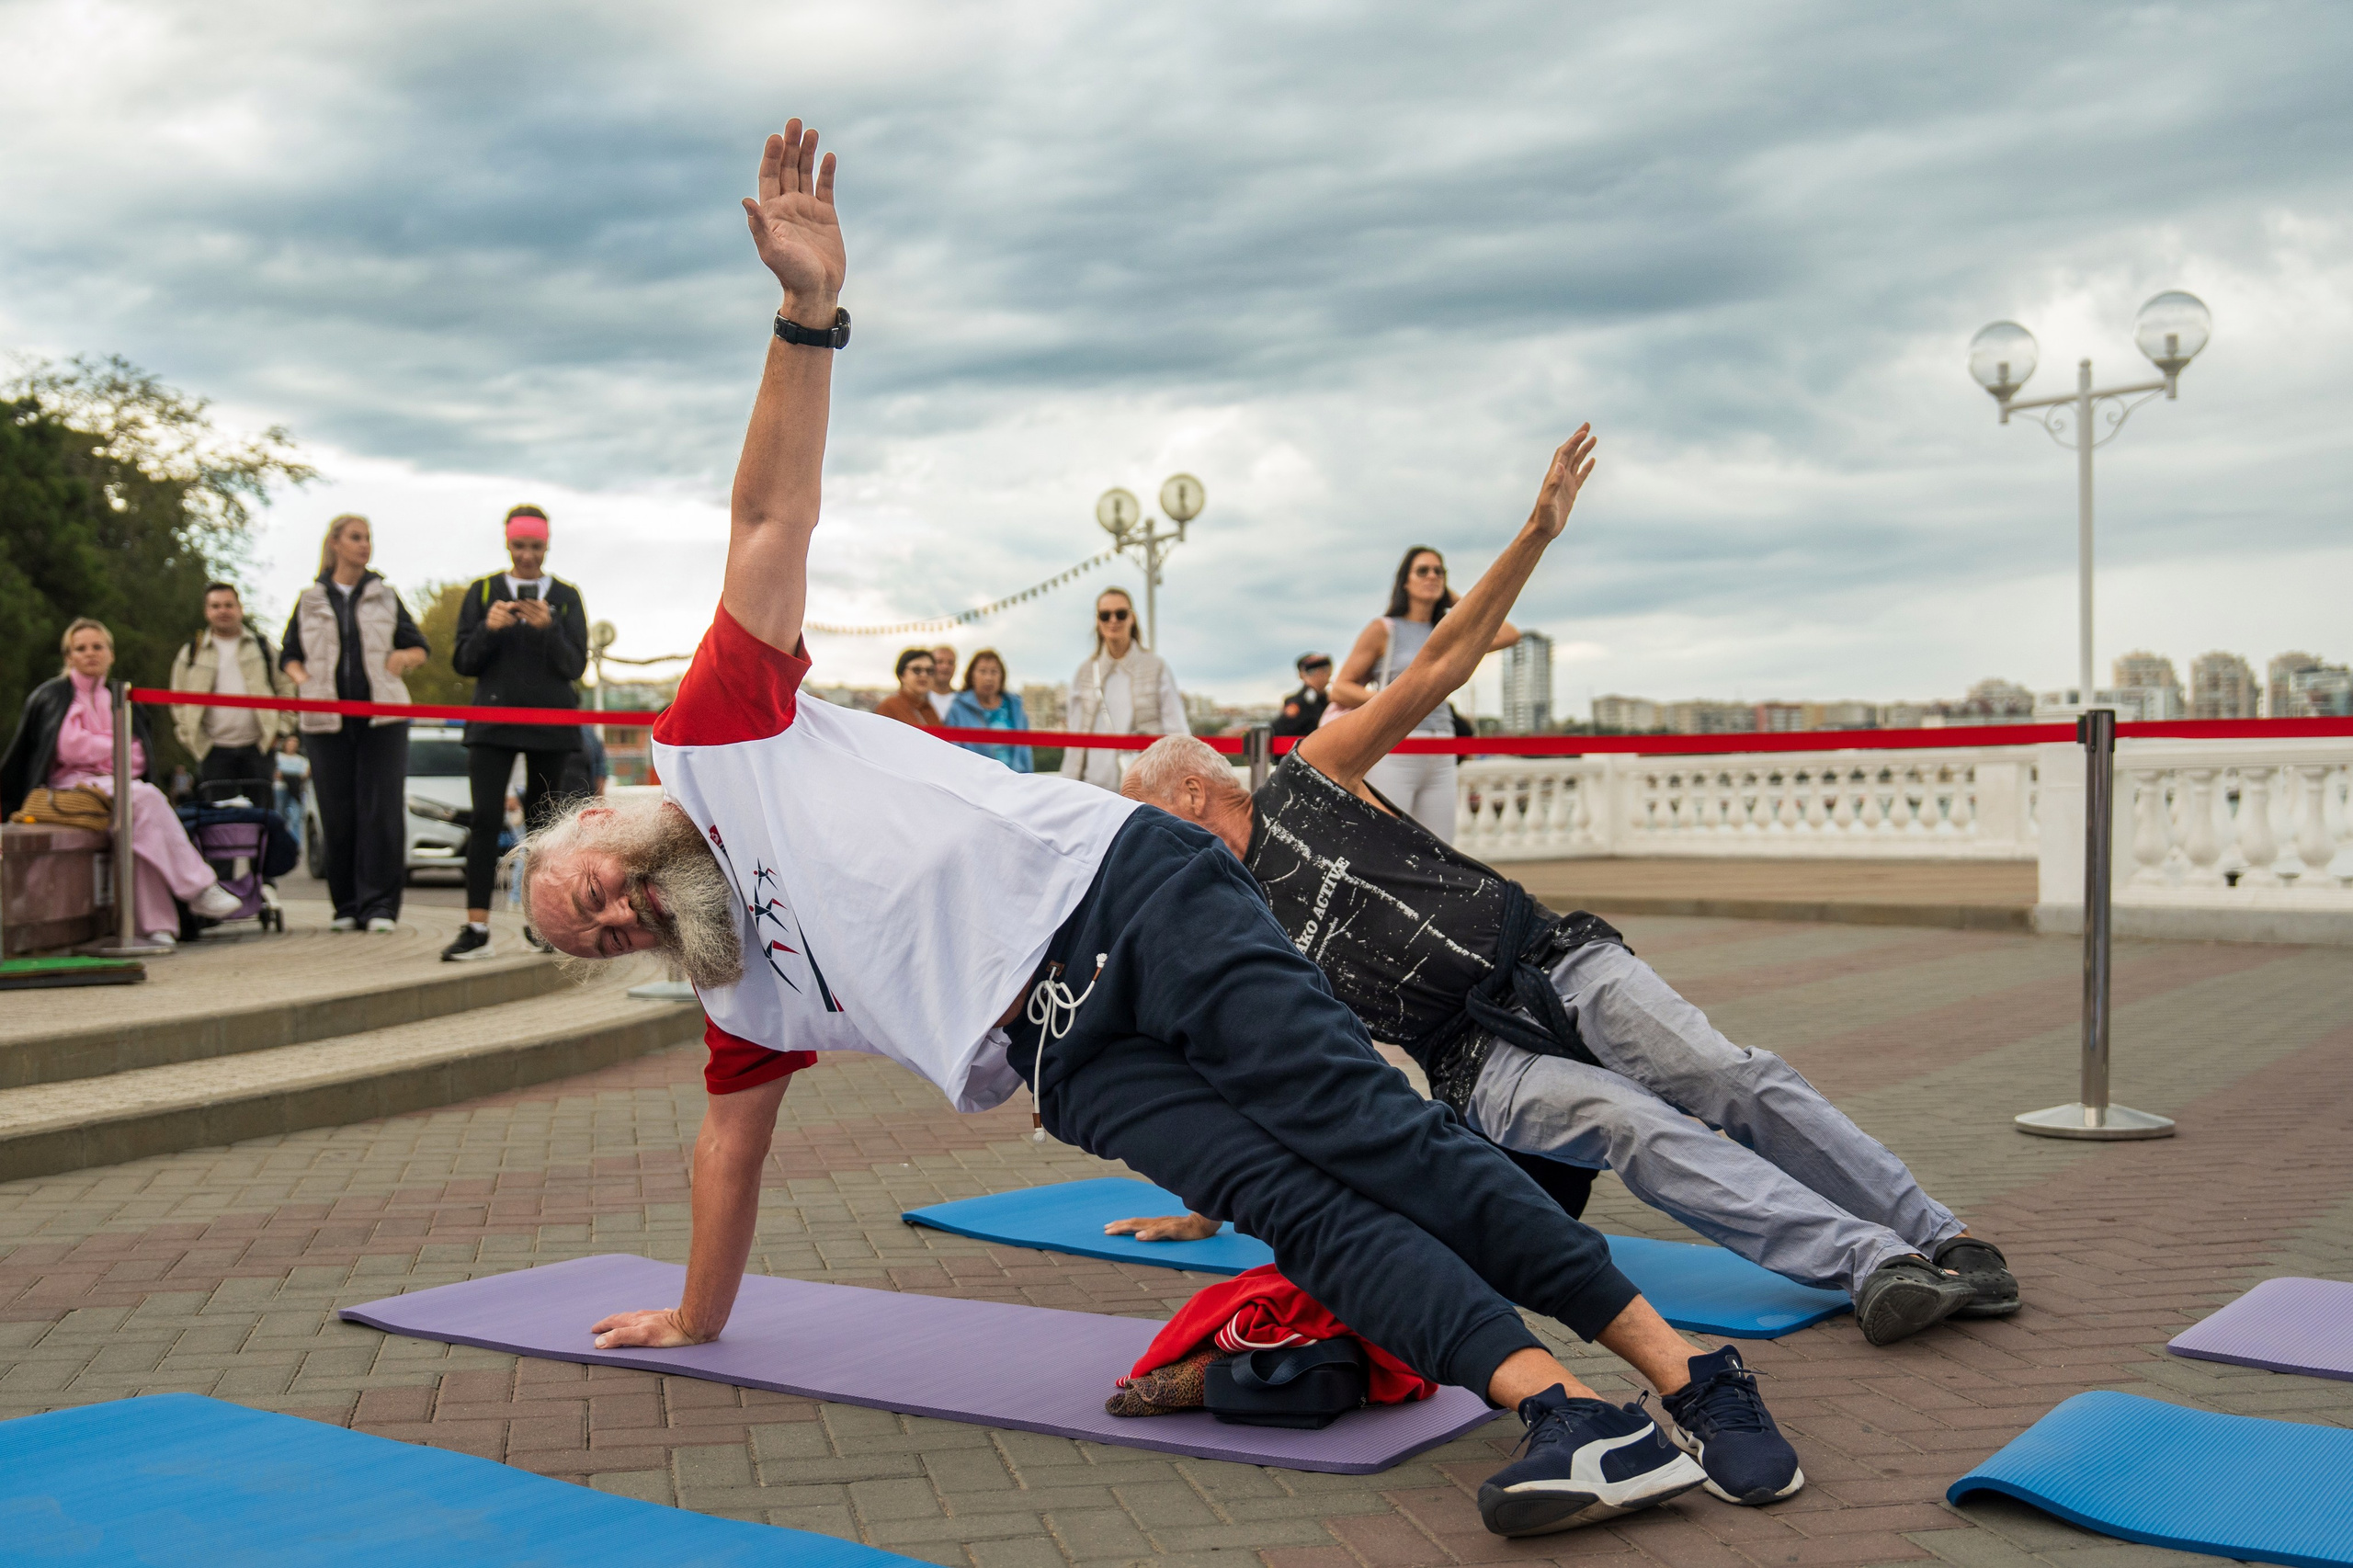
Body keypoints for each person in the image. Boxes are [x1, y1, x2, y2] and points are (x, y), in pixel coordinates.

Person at [511, 122, 1797, 1538]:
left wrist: (807, 312)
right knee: (1297, 1210)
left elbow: (770, 517)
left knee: (1372, 1131)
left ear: (607, 818)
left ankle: (1695, 1374)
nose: (619, 917)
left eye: (595, 890)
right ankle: (1568, 1417)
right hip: (1063, 1054)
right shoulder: (741, 992)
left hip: (1124, 897)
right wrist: (697, 1319)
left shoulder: (714, 732)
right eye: (600, 939)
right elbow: (727, 1156)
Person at [1113, 460, 2018, 1356]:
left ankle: (1938, 1233)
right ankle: (1872, 1263)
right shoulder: (1234, 917)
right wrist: (1207, 1207)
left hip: (1553, 959)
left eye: (1142, 813)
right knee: (1632, 1126)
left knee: (1728, 1076)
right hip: (1471, 1060)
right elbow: (1249, 1071)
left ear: (1191, 789)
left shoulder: (1312, 774)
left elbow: (1441, 660)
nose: (1145, 839)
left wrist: (1537, 530)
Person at [0, 619, 244, 946]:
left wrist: (96, 747)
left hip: (117, 787)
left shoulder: (123, 698)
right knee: (144, 798)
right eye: (81, 648)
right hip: (67, 792)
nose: (90, 654)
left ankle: (157, 927)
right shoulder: (52, 695)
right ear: (68, 656)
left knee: (140, 820)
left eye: (97, 646)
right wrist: (113, 747)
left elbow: (138, 757)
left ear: (111, 654)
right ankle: (199, 888)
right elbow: (69, 747)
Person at [441, 506, 590, 963]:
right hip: (492, 719)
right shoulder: (484, 591)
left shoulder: (566, 596)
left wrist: (548, 630)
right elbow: (463, 662)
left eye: (536, 546)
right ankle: (476, 926)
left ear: (547, 547)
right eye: (520, 545)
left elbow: (576, 667)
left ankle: (542, 926)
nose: (527, 556)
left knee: (543, 827)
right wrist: (489, 628)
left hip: (549, 723)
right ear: (508, 544)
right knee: (485, 819)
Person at [281, 513, 429, 933]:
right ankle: (345, 905)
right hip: (325, 721)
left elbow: (419, 646)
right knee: (337, 811)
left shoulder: (385, 595)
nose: (365, 545)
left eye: (368, 538)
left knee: (381, 811)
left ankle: (380, 906)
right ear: (335, 544)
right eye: (356, 538)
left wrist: (402, 658)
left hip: (383, 720)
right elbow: (288, 653)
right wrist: (303, 681)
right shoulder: (310, 598)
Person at [1329, 546, 1513, 844]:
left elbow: (1508, 634)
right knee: (1388, 845)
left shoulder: (1449, 633)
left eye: (1439, 571)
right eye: (1423, 571)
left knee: (1440, 847)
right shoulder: (1385, 629)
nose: (1432, 576)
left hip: (1442, 747)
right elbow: (1340, 687)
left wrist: (1454, 600)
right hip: (1396, 745)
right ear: (1405, 581)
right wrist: (1393, 703)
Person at [168, 583, 299, 804]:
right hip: (212, 750)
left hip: (259, 747)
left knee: (262, 821)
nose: (222, 611)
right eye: (215, 606)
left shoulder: (262, 646)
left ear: (240, 608)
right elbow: (176, 698)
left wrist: (280, 730)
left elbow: (286, 688)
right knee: (217, 825)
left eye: (228, 605)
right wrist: (191, 738)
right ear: (206, 611)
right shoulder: (192, 652)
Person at [1060, 588, 1185, 790]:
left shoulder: (1156, 667)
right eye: (1105, 615)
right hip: (1094, 789)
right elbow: (1074, 739)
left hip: (1145, 788)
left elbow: (1177, 732)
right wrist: (1067, 787)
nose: (1113, 620)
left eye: (1121, 614)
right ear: (1098, 621)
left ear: (1132, 618)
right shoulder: (1084, 672)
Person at [943, 649, 1032, 772]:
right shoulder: (958, 708)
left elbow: (1025, 752)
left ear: (1002, 676)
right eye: (982, 671)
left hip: (1013, 780)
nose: (988, 678)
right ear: (972, 676)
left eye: (994, 672)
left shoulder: (1015, 708)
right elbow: (953, 751)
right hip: (975, 781)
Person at [1271, 652, 1333, 739]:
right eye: (1311, 671)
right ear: (1301, 675)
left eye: (1325, 668)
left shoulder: (1335, 699)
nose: (1320, 674)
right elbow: (1279, 729)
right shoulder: (1296, 702)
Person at [873, 648, 938, 727]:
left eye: (929, 670)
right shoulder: (889, 707)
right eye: (917, 670)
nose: (924, 675)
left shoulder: (929, 708)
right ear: (902, 675)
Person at [273, 734, 311, 858]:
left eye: (295, 742)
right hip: (280, 790)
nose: (292, 744)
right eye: (290, 742)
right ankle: (279, 845)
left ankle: (294, 846)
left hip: (296, 792)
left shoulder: (301, 759)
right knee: (280, 817)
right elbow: (276, 774)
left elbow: (305, 774)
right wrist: (294, 776)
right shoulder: (278, 757)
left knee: (296, 817)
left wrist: (286, 775)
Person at [926, 643, 958, 722]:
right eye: (940, 662)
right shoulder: (919, 700)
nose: (945, 666)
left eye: (950, 663)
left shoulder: (965, 702)